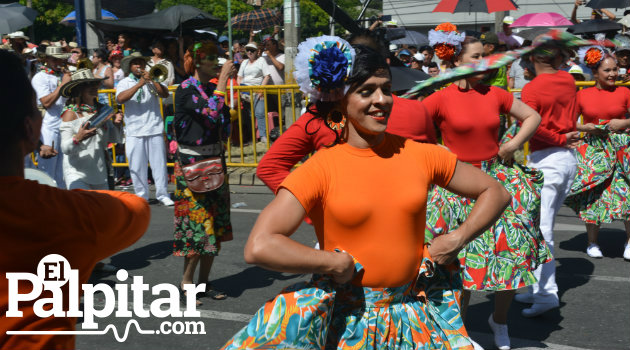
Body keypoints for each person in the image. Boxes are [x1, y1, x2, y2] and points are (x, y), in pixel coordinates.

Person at [222, 36, 511, 350]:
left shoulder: (421, 155)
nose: (382, 100)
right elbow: (260, 246)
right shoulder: (321, 168)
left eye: (385, 89)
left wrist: (456, 239)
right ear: (340, 99)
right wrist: (330, 263)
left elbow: (495, 192)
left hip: (412, 316)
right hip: (350, 322)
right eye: (366, 91)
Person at [0, 49, 150, 350]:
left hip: (94, 173)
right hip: (78, 181)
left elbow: (113, 144)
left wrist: (110, 126)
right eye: (91, 88)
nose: (95, 92)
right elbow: (136, 208)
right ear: (32, 131)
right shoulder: (67, 215)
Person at [422, 35, 547, 350]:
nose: (484, 63)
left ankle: (500, 322)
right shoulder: (440, 97)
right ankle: (459, 332)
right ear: (457, 60)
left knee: (510, 257)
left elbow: (532, 117)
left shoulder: (497, 94)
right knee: (459, 262)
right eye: (476, 56)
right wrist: (436, 157)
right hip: (456, 185)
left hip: (495, 180)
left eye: (486, 56)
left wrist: (513, 144)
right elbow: (413, 131)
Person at [516, 40, 582, 318]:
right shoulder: (568, 79)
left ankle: (545, 294)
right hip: (566, 158)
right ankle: (536, 289)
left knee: (541, 228)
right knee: (540, 225)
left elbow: (529, 124)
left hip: (549, 158)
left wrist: (556, 137)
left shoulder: (532, 88)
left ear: (534, 60)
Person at [172, 42, 236, 304]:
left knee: (216, 228)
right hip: (192, 166)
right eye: (211, 58)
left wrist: (224, 98)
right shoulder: (186, 89)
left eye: (217, 58)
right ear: (197, 62)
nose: (216, 61)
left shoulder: (211, 89)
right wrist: (222, 82)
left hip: (215, 162)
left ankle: (204, 283)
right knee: (198, 228)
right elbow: (210, 114)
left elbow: (223, 124)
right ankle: (186, 282)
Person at [564, 50, 630, 260]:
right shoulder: (581, 95)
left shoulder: (625, 92)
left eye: (615, 69)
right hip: (593, 150)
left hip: (621, 149)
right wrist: (586, 127)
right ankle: (592, 242)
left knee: (627, 195)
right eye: (608, 70)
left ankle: (629, 242)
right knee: (593, 197)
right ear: (595, 72)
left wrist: (625, 123)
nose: (613, 74)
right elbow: (568, 122)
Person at [115, 52, 174, 206]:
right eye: (135, 63)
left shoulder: (152, 80)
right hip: (134, 130)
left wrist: (152, 81)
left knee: (159, 164)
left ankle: (162, 194)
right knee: (136, 165)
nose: (139, 66)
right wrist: (140, 84)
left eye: (141, 63)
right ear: (130, 67)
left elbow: (164, 94)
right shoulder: (125, 82)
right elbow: (120, 99)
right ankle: (142, 195)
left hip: (154, 127)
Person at [58, 68, 123, 190]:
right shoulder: (71, 114)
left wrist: (117, 124)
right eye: (88, 84)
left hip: (99, 172)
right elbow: (65, 148)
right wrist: (78, 138)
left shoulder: (103, 110)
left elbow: (113, 139)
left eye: (95, 83)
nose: (94, 87)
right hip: (76, 173)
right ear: (79, 90)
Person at [31, 45, 72, 188]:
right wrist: (63, 85)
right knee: (47, 170)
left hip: (63, 125)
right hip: (48, 126)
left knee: (63, 170)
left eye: (59, 60)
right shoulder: (40, 77)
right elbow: (46, 102)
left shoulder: (61, 75)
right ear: (46, 59)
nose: (57, 62)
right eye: (54, 59)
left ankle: (60, 202)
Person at [237, 42, 270, 144]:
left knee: (259, 113)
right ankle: (252, 137)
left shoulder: (261, 61)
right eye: (248, 50)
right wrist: (241, 88)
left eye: (252, 50)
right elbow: (239, 77)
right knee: (248, 116)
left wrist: (261, 89)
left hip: (257, 91)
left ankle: (263, 136)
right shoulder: (244, 62)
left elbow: (267, 76)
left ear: (257, 52)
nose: (250, 52)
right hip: (245, 92)